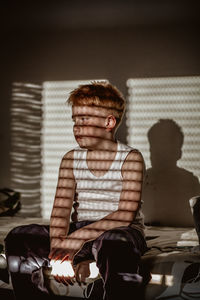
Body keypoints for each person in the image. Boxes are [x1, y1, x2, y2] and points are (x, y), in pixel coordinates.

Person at [5, 82, 147, 300]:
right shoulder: (71, 159)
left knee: (113, 243)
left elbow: (125, 215)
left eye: (84, 119)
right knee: (18, 237)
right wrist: (59, 251)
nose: (76, 127)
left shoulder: (131, 158)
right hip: (80, 233)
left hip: (119, 231)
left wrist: (75, 240)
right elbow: (61, 211)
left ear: (109, 122)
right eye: (74, 120)